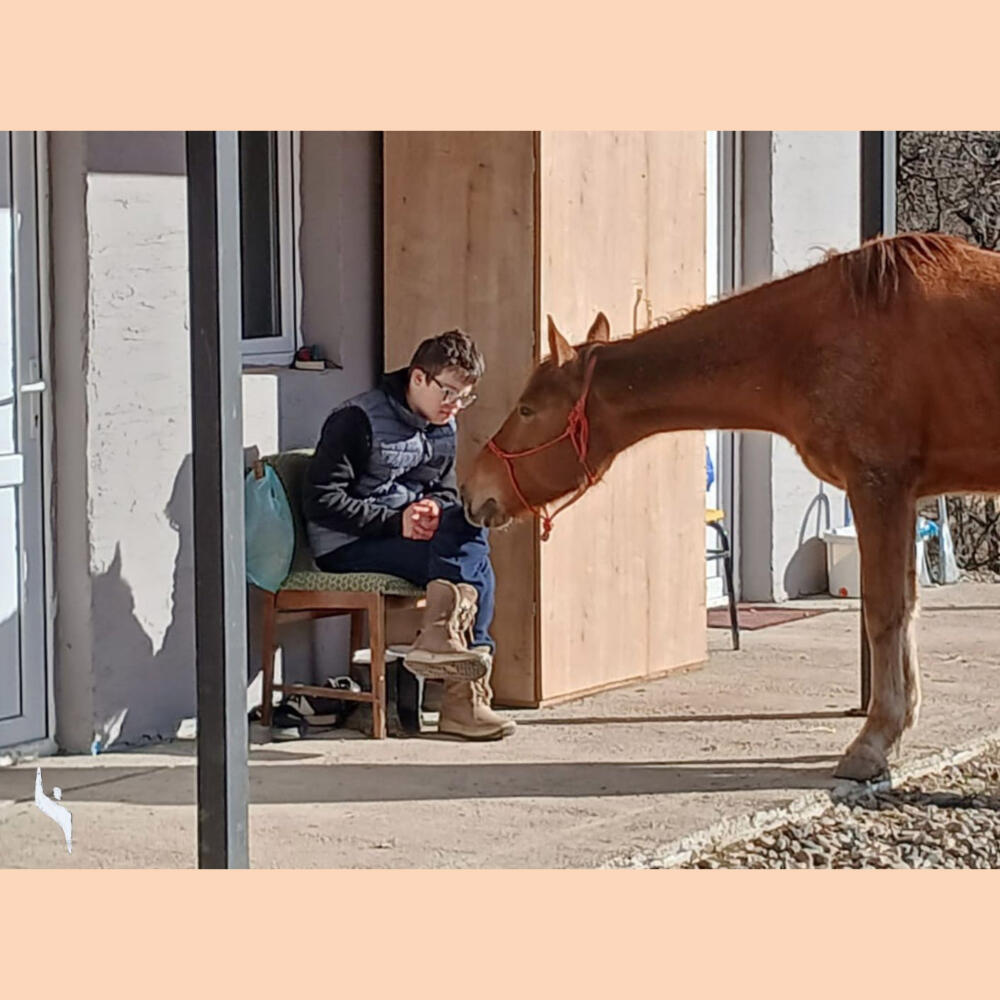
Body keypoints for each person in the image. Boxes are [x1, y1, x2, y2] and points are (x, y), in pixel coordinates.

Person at [302, 330, 516, 741]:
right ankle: (463, 698)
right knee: (473, 563)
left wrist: (434, 506)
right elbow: (321, 501)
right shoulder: (356, 420)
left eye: (465, 397)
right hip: (346, 545)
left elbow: (444, 490)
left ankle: (442, 640)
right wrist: (395, 522)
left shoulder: (443, 426)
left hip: (408, 536)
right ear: (418, 378)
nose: (455, 406)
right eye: (449, 393)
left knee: (468, 536)